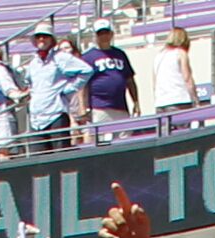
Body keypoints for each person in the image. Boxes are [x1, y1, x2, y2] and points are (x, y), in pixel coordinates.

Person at [22, 23, 89, 154]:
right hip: (36, 118)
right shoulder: (33, 62)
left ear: (51, 39)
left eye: (45, 36)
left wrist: (68, 89)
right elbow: (28, 82)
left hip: (56, 114)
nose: (42, 39)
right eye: (38, 36)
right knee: (39, 161)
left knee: (60, 157)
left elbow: (86, 70)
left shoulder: (61, 58)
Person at [82, 20, 137, 129]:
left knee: (124, 138)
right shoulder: (87, 57)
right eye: (100, 33)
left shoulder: (120, 54)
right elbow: (83, 86)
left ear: (111, 34)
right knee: (101, 141)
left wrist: (136, 102)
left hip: (121, 106)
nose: (103, 36)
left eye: (106, 33)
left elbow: (130, 80)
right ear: (95, 36)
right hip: (99, 107)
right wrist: (85, 107)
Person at [153, 27, 197, 117]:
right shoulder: (180, 53)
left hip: (161, 103)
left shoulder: (158, 56)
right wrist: (195, 99)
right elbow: (187, 78)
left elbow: (154, 83)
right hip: (179, 100)